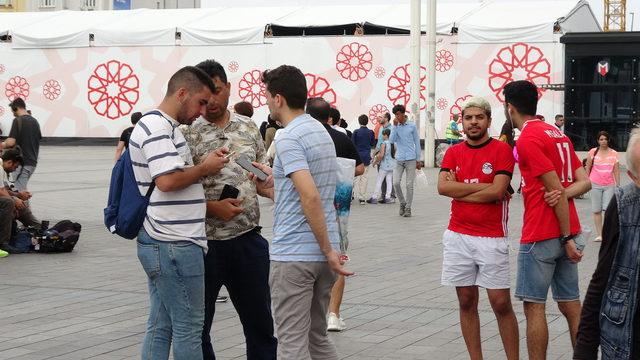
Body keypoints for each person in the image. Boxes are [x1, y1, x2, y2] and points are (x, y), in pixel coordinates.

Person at [252, 65, 353, 360]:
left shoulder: (287, 137)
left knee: (291, 344)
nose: (267, 102)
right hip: (322, 255)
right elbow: (310, 188)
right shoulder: (318, 130)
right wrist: (274, 180)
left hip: (296, 254)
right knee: (316, 338)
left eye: (268, 96)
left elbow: (309, 195)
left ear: (279, 98)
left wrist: (326, 249)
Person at [128, 66, 229, 360]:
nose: (202, 110)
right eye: (200, 102)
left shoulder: (164, 127)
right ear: (182, 93)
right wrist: (205, 168)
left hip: (165, 239)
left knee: (162, 325)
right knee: (189, 327)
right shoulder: (157, 128)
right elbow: (168, 181)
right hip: (174, 242)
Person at [182, 59, 277, 360]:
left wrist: (276, 188)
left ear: (229, 89)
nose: (211, 100)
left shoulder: (249, 127)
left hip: (248, 240)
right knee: (198, 329)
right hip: (204, 245)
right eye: (205, 93)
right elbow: (177, 189)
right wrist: (212, 208)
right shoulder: (188, 134)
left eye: (218, 90)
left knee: (260, 326)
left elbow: (260, 178)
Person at [503, 80, 591, 360]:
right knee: (571, 305)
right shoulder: (557, 134)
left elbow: (554, 189)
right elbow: (584, 182)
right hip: (569, 229)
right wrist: (564, 198)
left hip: (542, 232)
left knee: (534, 307)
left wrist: (565, 238)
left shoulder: (528, 139)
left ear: (510, 108)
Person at [437, 97, 519, 360]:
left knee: (500, 303)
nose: (473, 122)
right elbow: (442, 188)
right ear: (462, 122)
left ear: (488, 121)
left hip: (492, 237)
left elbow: (497, 191)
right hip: (457, 236)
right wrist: (487, 189)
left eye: (479, 117)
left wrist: (460, 190)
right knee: (466, 301)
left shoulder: (501, 151)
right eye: (468, 118)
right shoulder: (453, 152)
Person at [573, 128, 640, 360]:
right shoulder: (624, 206)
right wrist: (584, 350)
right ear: (634, 179)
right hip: (625, 344)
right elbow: (602, 279)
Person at [305, 97, 363, 333]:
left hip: (307, 211)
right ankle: (333, 314)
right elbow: (359, 167)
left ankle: (311, 313)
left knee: (307, 261)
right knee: (338, 260)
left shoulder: (304, 138)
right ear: (330, 117)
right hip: (338, 211)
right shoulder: (341, 137)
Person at [0, 148, 40, 254]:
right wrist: (14, 200)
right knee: (10, 203)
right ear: (9, 162)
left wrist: (18, 196)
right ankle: (3, 243)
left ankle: (39, 230)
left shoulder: (4, 171)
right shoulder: (0, 168)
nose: (14, 169)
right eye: (15, 166)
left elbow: (6, 190)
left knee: (19, 204)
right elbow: (1, 190)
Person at [585, 131, 620, 242]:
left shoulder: (614, 153)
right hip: (594, 183)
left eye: (605, 139)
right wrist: (585, 182)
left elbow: (616, 170)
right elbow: (588, 167)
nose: (603, 141)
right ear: (598, 141)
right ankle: (600, 234)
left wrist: (617, 185)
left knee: (608, 210)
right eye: (601, 139)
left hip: (609, 185)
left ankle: (607, 232)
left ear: (608, 140)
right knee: (596, 210)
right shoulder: (592, 152)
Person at [0, 97, 42, 191]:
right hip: (32, 162)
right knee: (20, 189)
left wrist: (2, 144)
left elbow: (11, 142)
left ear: (16, 108)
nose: (13, 114)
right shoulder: (35, 122)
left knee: (17, 191)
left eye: (13, 111)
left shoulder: (18, 120)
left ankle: (22, 205)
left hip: (21, 163)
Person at [390, 104, 423, 217]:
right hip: (399, 158)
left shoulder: (412, 126)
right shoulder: (395, 126)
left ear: (403, 114)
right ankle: (402, 203)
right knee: (396, 182)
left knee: (409, 185)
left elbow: (417, 143)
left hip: (411, 159)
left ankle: (408, 208)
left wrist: (418, 159)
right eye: (395, 115)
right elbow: (392, 140)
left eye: (398, 114)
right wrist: (394, 127)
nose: (396, 117)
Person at [351, 114, 375, 205]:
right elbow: (372, 143)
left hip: (357, 157)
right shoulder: (371, 132)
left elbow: (352, 144)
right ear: (367, 122)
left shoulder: (356, 132)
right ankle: (362, 198)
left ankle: (350, 196)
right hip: (366, 157)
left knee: (353, 177)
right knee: (364, 177)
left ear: (359, 122)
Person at [368, 128, 395, 204]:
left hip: (384, 165)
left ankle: (374, 197)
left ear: (386, 135)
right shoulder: (393, 143)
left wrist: (375, 162)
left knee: (379, 180)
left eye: (383, 135)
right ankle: (388, 197)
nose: (382, 136)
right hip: (391, 165)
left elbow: (381, 155)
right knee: (389, 181)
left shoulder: (384, 143)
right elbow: (394, 153)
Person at [375, 112, 395, 201]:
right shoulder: (380, 128)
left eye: (381, 117)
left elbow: (393, 143)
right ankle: (384, 195)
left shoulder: (392, 128)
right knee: (382, 175)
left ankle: (391, 195)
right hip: (379, 153)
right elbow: (379, 142)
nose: (379, 119)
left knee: (388, 177)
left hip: (387, 155)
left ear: (386, 119)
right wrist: (375, 153)